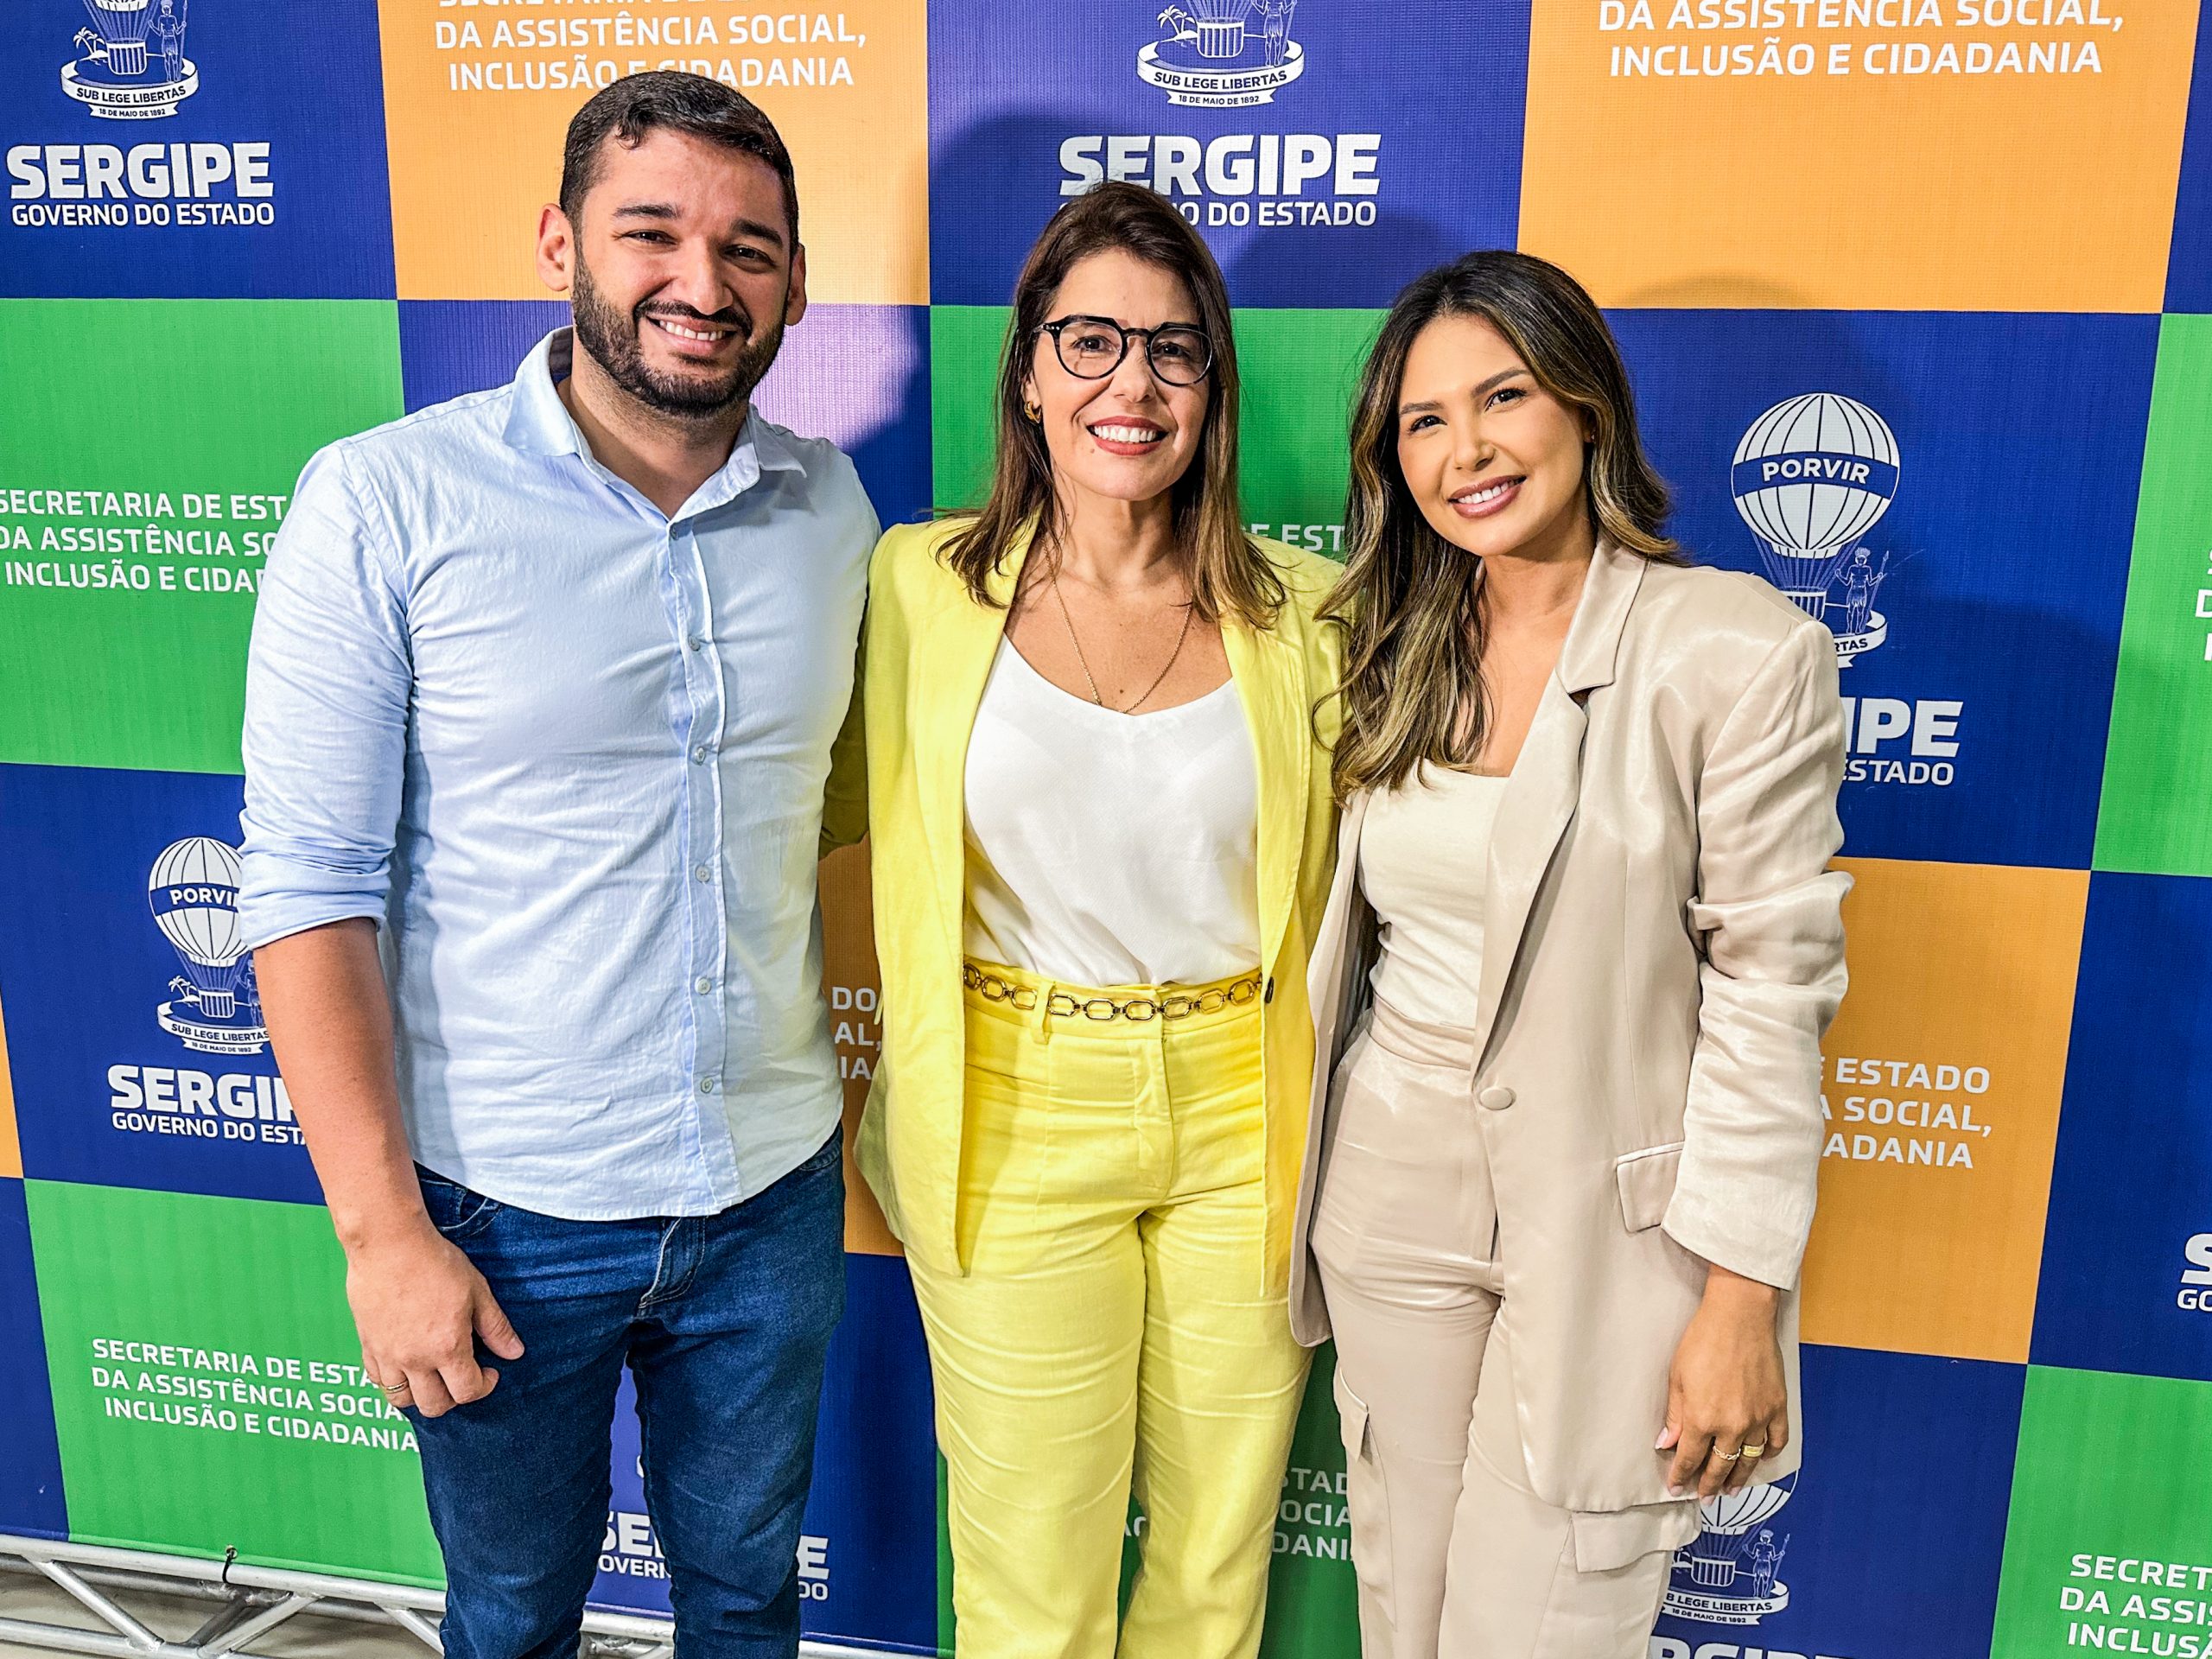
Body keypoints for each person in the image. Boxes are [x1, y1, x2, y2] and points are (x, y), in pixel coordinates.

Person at [238, 73, 875, 1659]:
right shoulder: (386, 500)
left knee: (749, 1602)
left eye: (748, 248)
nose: (700, 282)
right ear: (557, 243)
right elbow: (307, 886)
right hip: (502, 1208)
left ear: (796, 282)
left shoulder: (831, 508)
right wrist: (384, 1239)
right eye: (651, 231)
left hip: (771, 1189)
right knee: (516, 1614)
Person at [1292, 250, 1848, 1658]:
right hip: (1388, 1193)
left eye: (1505, 398)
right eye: (1425, 421)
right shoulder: (1387, 640)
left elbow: (1773, 993)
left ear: (1585, 406)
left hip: (1615, 1228)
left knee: (1543, 1627)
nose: (1466, 451)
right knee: (1403, 1613)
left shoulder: (1734, 651)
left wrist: (1742, 1297)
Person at [856, 181, 1343, 1659]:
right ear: (1027, 372)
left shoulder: (1316, 614)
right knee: (1031, 1582)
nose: (1132, 383)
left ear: (1213, 387)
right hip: (1010, 1105)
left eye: (1173, 349)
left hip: (1248, 1114)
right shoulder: (916, 586)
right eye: (1091, 342)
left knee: (1214, 1571)